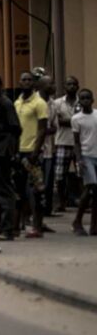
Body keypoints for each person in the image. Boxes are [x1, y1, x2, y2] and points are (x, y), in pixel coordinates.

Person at [0, 75, 22, 241]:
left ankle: (8, 229)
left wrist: (12, 152)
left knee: (3, 190)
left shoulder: (6, 103)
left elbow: (15, 128)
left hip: (3, 153)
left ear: (0, 85)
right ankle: (3, 227)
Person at [13, 71, 49, 238]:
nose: (26, 82)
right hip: (19, 152)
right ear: (19, 83)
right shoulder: (17, 103)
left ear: (33, 84)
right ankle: (18, 224)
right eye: (23, 80)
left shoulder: (39, 103)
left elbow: (42, 129)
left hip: (33, 152)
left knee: (37, 191)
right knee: (18, 190)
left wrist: (36, 151)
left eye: (29, 80)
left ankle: (37, 226)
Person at [52, 76, 81, 214]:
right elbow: (58, 122)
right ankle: (61, 202)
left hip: (79, 143)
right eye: (68, 84)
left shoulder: (82, 101)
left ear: (78, 86)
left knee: (81, 172)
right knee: (59, 175)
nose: (71, 86)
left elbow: (83, 121)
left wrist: (68, 121)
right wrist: (75, 121)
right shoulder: (58, 103)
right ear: (64, 87)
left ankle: (82, 200)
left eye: (74, 84)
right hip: (62, 142)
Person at [71, 89, 97, 236]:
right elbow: (76, 142)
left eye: (88, 98)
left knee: (96, 192)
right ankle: (77, 220)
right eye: (82, 98)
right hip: (86, 156)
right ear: (79, 101)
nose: (85, 100)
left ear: (92, 100)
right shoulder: (76, 119)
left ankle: (94, 225)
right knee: (91, 187)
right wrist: (78, 159)